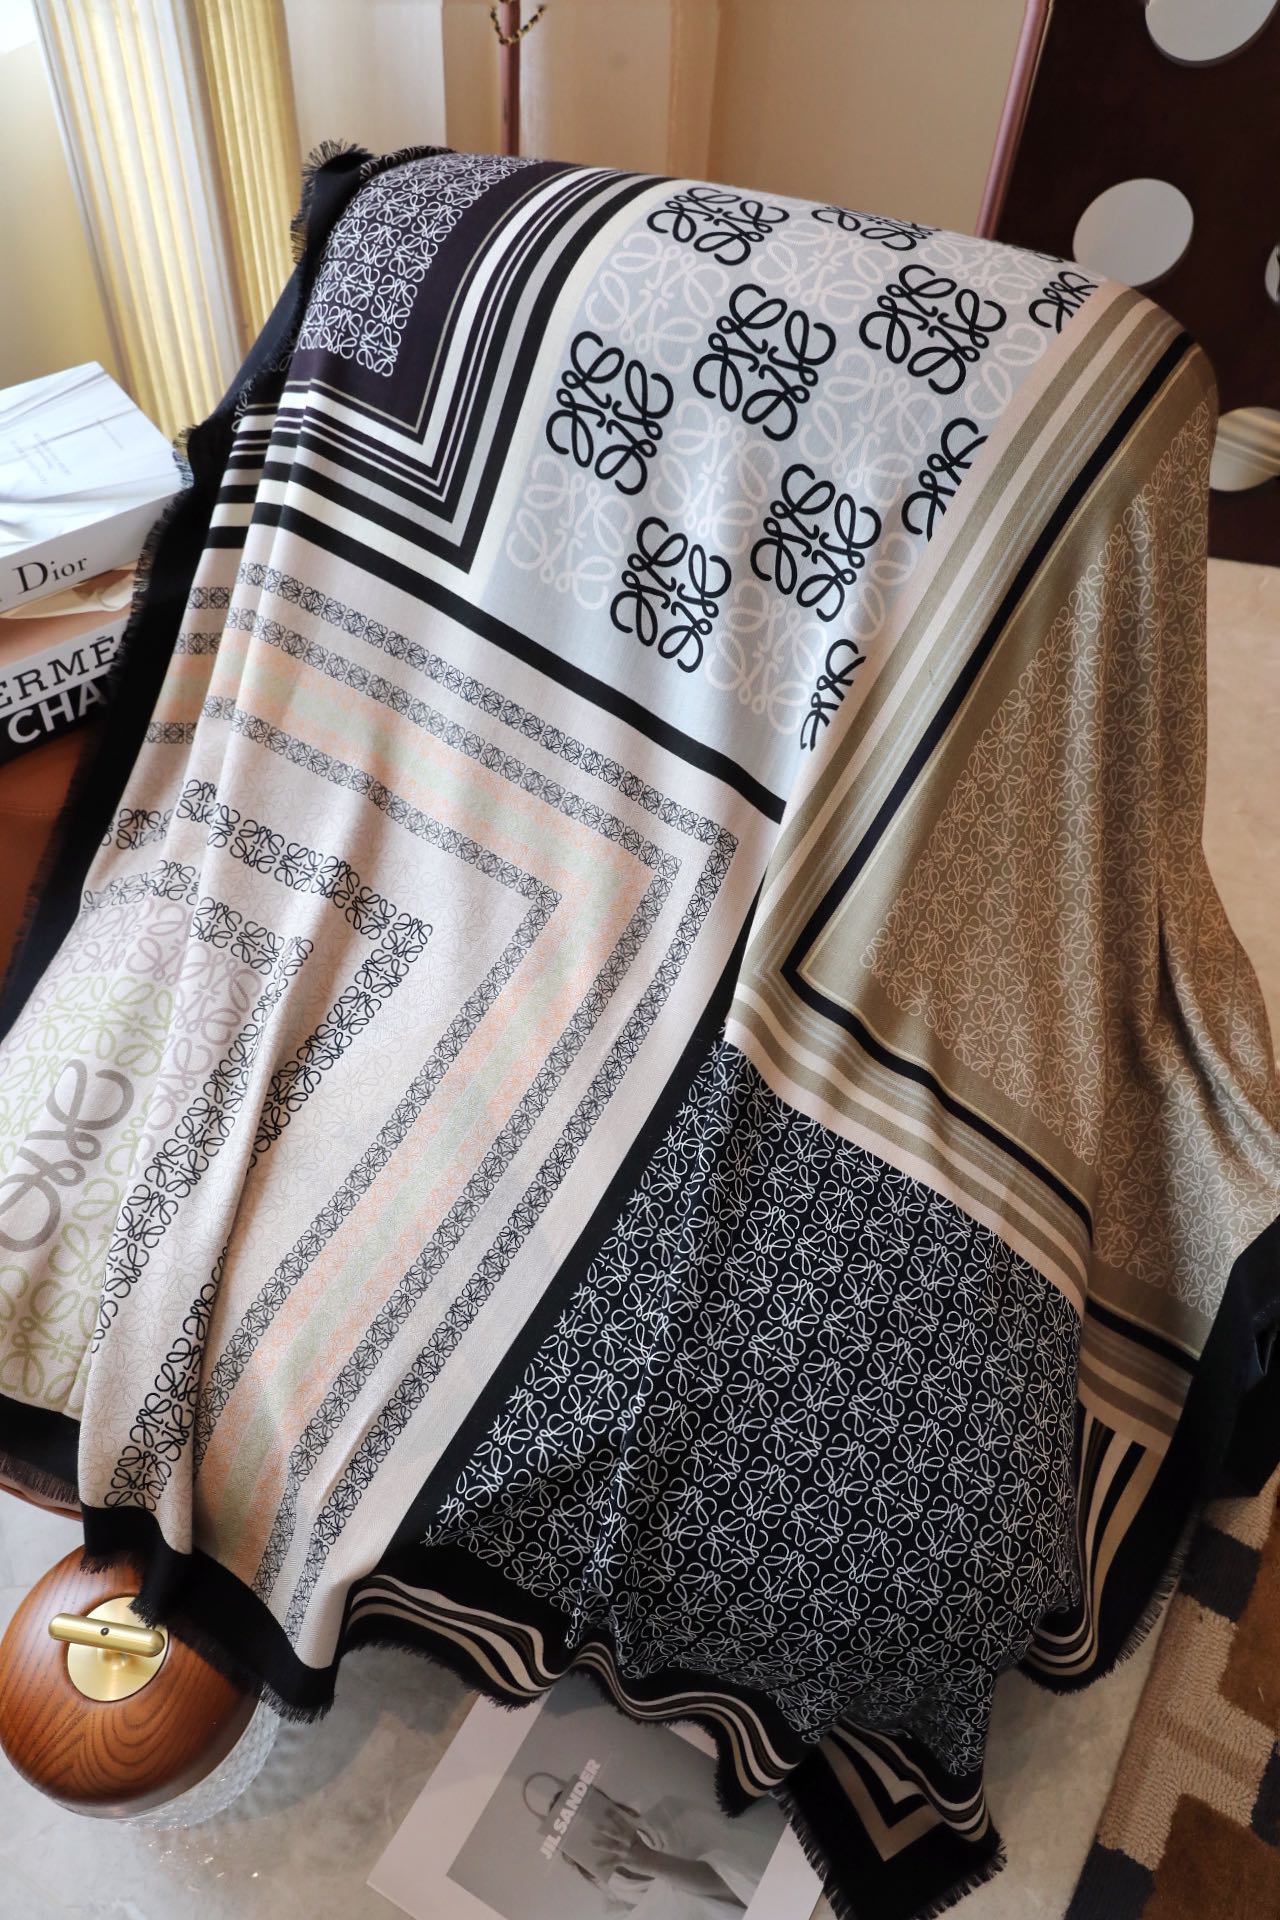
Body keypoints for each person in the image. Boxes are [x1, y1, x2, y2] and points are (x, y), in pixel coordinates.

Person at [523, 1768, 774, 1919]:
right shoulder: (618, 1909)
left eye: (591, 1813)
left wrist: (646, 1859)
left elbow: (741, 1884)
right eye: (575, 1841)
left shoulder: (675, 1816)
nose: (596, 1832)